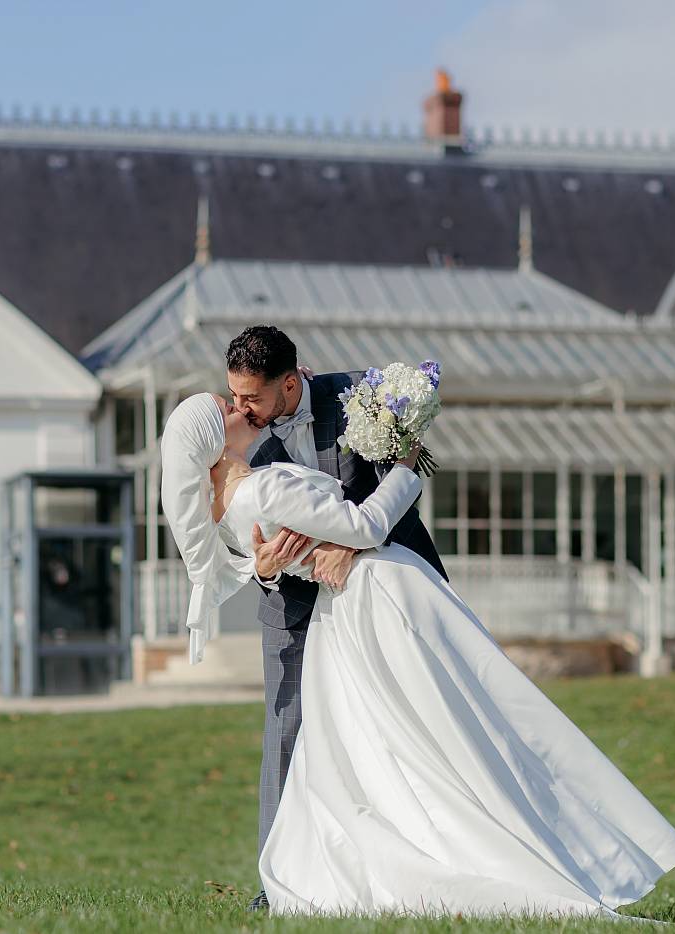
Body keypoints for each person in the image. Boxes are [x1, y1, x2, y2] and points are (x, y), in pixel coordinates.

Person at [159, 388, 675, 917]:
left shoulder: (228, 509)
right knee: (469, 721)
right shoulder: (262, 491)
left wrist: (274, 564)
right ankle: (511, 848)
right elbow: (364, 527)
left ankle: (459, 840)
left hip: (345, 614)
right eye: (229, 408)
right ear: (212, 440)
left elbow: (286, 551)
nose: (241, 409)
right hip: (379, 596)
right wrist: (408, 466)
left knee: (412, 736)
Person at [223, 327, 446, 910]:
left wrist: (356, 546)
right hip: (291, 607)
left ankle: (425, 865)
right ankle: (277, 887)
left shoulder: (358, 397)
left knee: (410, 726)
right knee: (286, 733)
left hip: (378, 594)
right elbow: (230, 541)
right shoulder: (233, 442)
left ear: (291, 384)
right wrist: (266, 570)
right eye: (235, 395)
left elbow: (415, 462)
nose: (239, 408)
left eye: (252, 397)